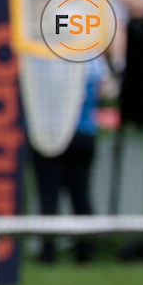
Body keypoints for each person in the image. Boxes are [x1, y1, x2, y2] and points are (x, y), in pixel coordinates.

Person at [29, 59, 106, 264]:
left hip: (48, 132)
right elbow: (105, 90)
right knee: (80, 195)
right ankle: (84, 253)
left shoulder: (43, 58)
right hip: (83, 133)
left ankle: (47, 253)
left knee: (49, 196)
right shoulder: (92, 58)